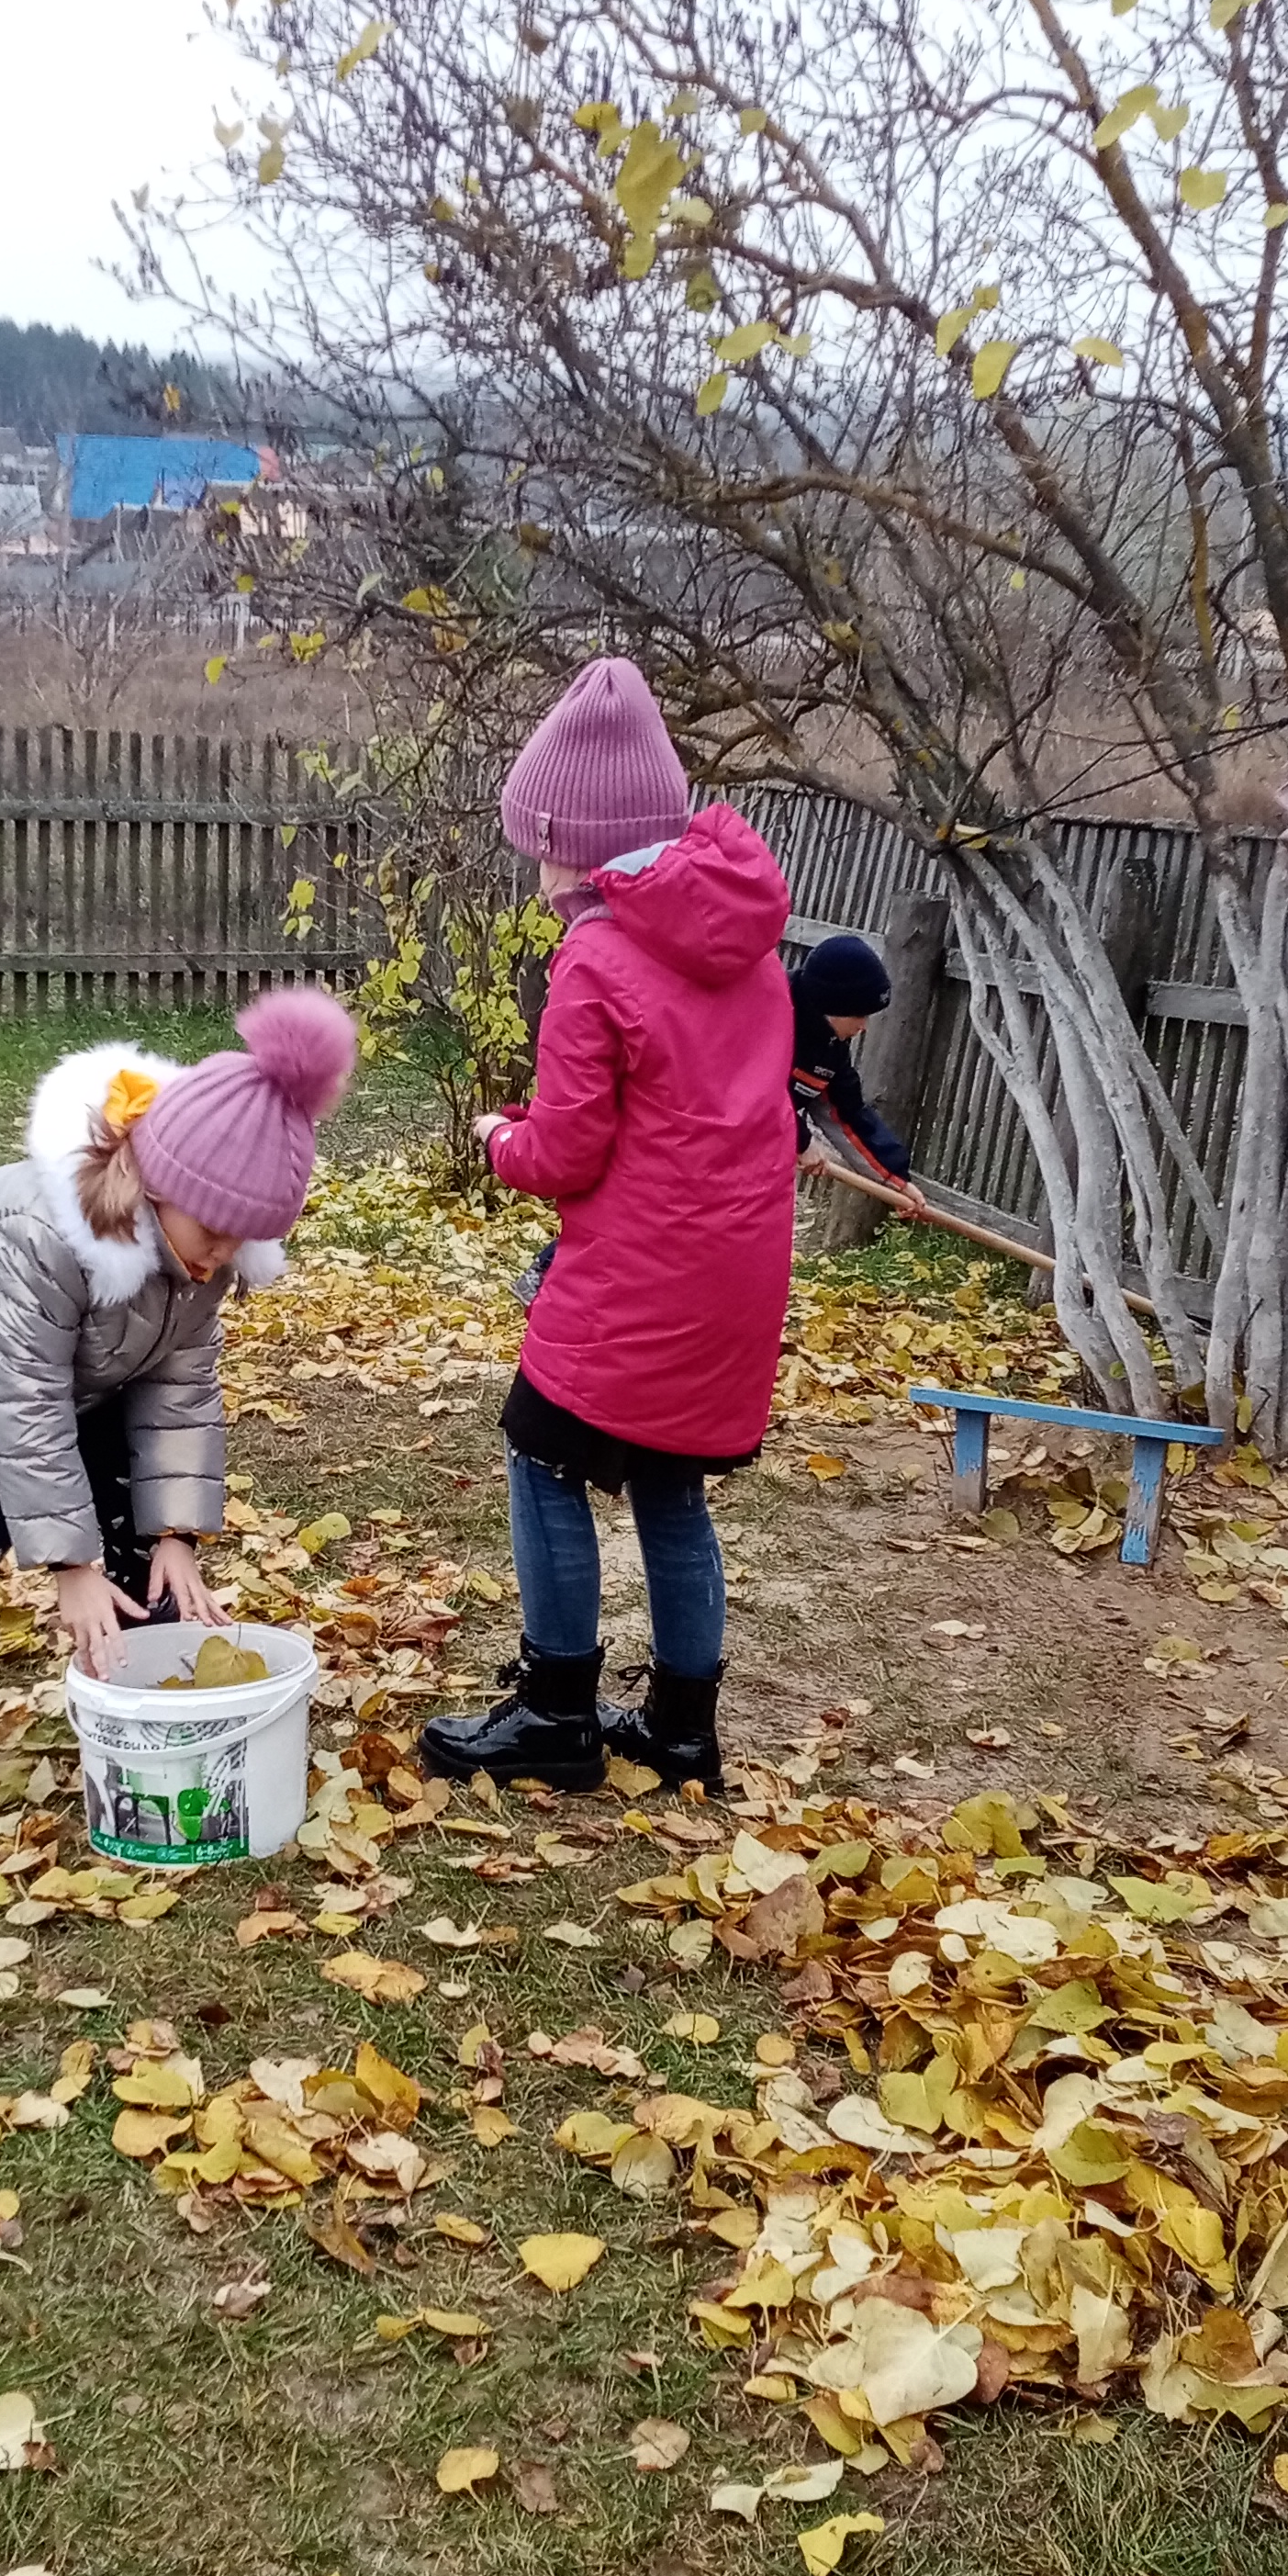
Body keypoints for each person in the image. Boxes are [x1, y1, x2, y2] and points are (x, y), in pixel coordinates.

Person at [420, 657, 796, 1796]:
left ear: (564, 841)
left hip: (638, 1274)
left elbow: (570, 1152)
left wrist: (497, 1139)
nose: (528, 864)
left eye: (531, 842)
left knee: (541, 1455)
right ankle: (682, 1729)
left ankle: (554, 1710)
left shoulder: (595, 956)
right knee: (670, 1489)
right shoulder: (750, 948)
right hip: (732, 1273)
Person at [0, 987, 359, 1779]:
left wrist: (174, 1535)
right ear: (157, 1182)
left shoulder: (203, 1259)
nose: (223, 1252)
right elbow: (23, 1396)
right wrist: (69, 1567)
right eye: (213, 1229)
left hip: (81, 1366)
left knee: (126, 1512)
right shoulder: (45, 1235)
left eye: (245, 1237)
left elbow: (180, 1387)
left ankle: (144, 1670)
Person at [788, 931, 923, 1200]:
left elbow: (847, 1114)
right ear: (830, 1005)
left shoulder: (828, 1048)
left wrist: (896, 1180)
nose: (864, 1027)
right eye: (859, 1015)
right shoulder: (765, 1016)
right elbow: (750, 1093)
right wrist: (798, 1139)